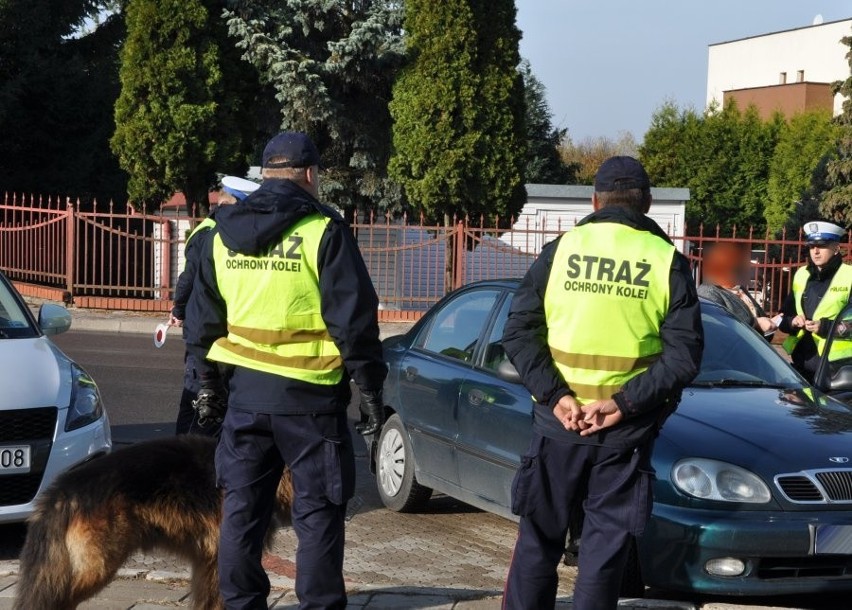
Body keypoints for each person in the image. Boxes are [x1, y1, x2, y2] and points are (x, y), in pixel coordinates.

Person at [185, 131, 386, 610]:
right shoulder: (324, 232)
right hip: (311, 402)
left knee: (242, 514)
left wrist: (208, 386)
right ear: (311, 175)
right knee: (316, 516)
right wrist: (372, 395)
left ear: (263, 173)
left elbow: (201, 323)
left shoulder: (220, 232)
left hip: (246, 401)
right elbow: (355, 323)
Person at [500, 156, 703, 610]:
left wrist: (557, 397)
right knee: (602, 555)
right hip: (622, 435)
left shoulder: (561, 250)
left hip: (559, 427)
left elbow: (517, 332)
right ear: (647, 203)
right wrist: (622, 404)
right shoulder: (665, 260)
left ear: (594, 200)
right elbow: (684, 357)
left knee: (537, 545)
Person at [170, 176, 259, 435]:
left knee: (197, 398)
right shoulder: (213, 234)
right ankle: (187, 460)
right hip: (209, 329)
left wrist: (180, 309)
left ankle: (184, 453)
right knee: (201, 401)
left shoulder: (208, 228)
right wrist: (178, 309)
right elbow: (188, 278)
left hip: (206, 326)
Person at [779, 220, 852, 384]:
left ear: (836, 248)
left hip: (838, 374)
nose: (816, 251)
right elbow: (782, 318)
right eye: (812, 246)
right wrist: (792, 322)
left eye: (822, 246)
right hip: (800, 369)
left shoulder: (849, 276)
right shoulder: (801, 275)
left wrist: (825, 327)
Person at [697, 241, 776, 339]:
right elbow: (717, 325)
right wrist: (756, 323)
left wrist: (771, 322)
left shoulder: (740, 289)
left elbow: (761, 319)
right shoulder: (707, 291)